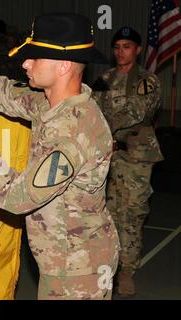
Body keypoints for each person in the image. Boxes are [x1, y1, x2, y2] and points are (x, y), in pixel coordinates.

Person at [0, 13, 120, 300]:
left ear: (63, 65)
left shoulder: (73, 132)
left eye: (35, 57)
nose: (25, 63)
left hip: (78, 271)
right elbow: (6, 92)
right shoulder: (53, 104)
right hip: (65, 258)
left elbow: (18, 197)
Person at [91, 27, 164, 297]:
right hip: (106, 155)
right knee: (106, 213)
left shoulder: (147, 81)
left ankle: (126, 271)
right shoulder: (104, 78)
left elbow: (137, 111)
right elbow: (92, 107)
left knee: (131, 213)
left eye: (127, 46)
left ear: (138, 50)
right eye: (117, 46)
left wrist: (103, 129)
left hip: (135, 156)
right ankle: (108, 265)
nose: (120, 51)